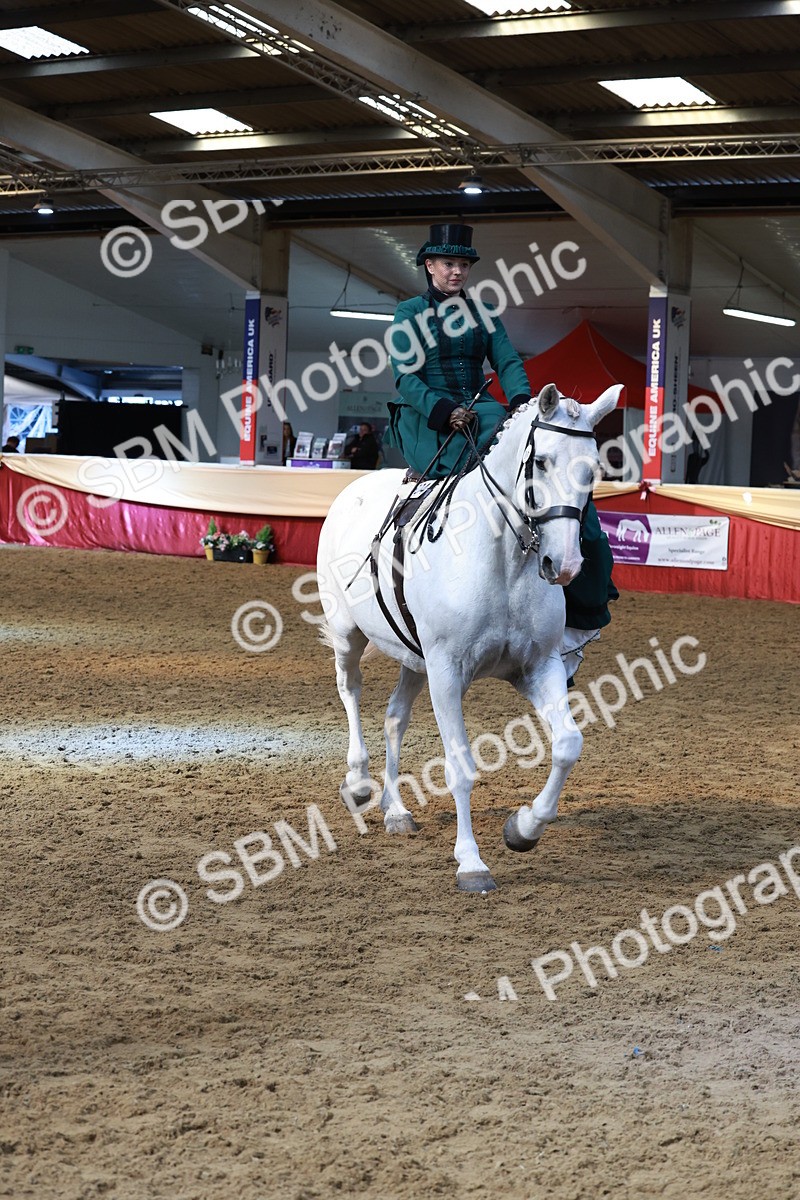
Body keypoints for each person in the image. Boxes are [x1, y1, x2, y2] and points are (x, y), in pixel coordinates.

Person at [385, 221, 617, 634]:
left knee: (526, 460)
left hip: (482, 410)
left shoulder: (484, 313)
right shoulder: (410, 313)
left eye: (463, 265)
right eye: (448, 263)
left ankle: (577, 600)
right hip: (427, 416)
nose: (456, 271)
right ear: (430, 266)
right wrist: (443, 411)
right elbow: (405, 376)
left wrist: (525, 408)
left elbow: (508, 362)